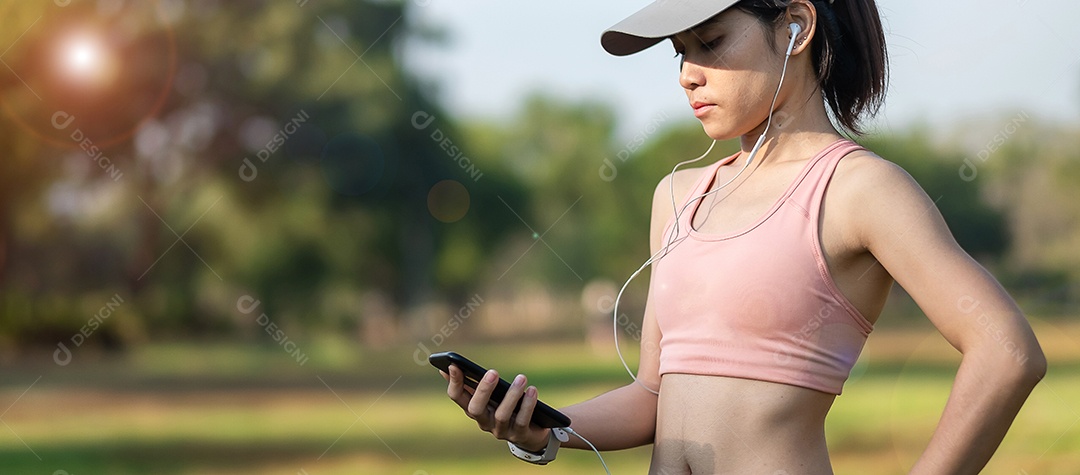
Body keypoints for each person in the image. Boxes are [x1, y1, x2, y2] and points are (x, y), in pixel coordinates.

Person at [441, 0, 1046, 473]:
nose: (688, 76)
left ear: (796, 27)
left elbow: (1007, 352)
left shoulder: (859, 189)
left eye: (710, 43)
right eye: (679, 53)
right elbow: (655, 393)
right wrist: (545, 425)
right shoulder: (677, 196)